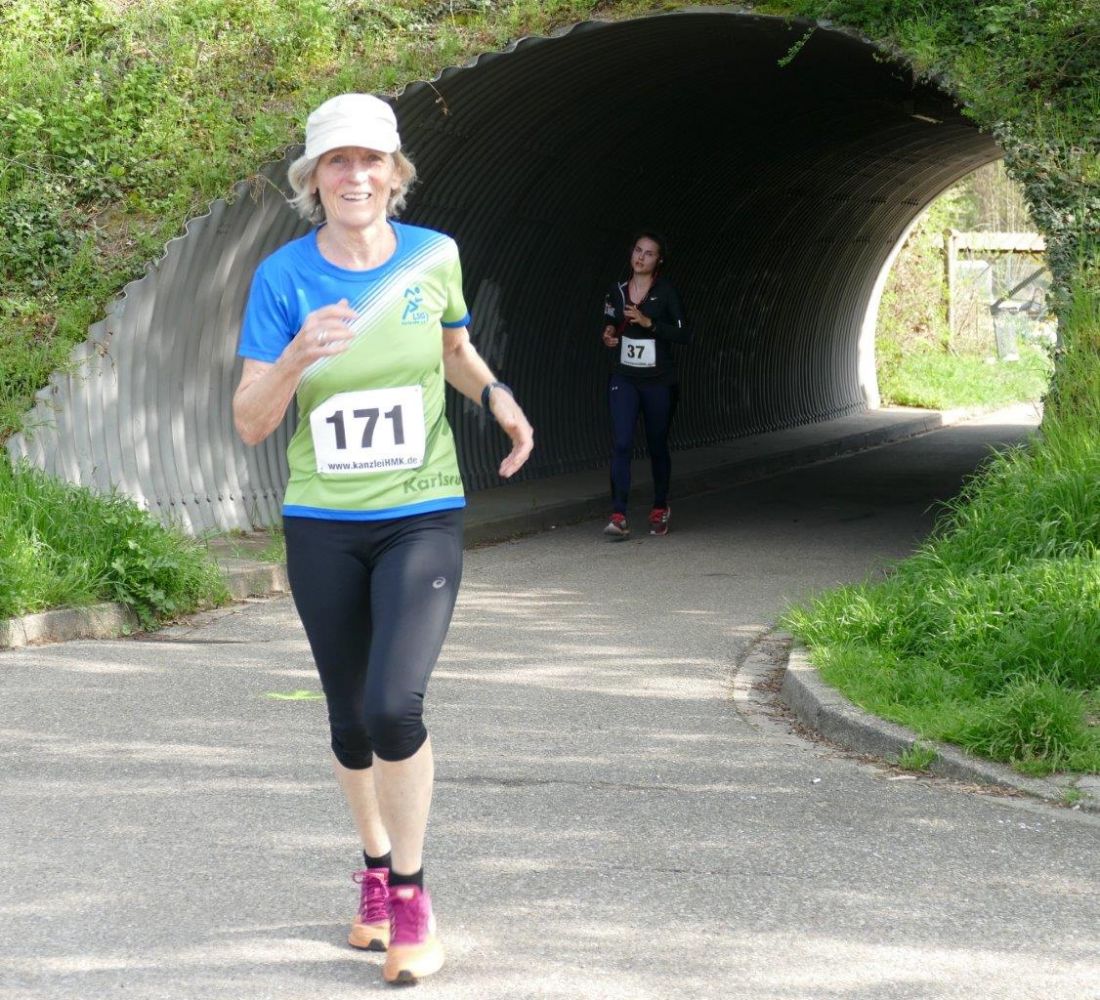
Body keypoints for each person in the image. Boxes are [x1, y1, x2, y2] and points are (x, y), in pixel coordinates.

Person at [232, 93, 533, 985]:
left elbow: (452, 349)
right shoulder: (283, 279)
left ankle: (410, 893)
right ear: (313, 179)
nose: (356, 176)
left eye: (372, 160)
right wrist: (296, 357)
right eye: (338, 161)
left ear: (395, 174)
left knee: (394, 706)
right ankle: (372, 866)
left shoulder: (435, 255)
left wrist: (497, 396)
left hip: (420, 511)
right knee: (349, 719)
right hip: (323, 520)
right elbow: (250, 421)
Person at [600, 232, 689, 538]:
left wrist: (650, 323)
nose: (641, 257)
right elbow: (610, 322)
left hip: (658, 381)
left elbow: (684, 333)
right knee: (622, 442)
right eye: (638, 250)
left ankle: (659, 506)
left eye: (649, 253)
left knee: (656, 444)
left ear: (658, 260)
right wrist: (609, 334)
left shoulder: (665, 292)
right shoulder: (617, 290)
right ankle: (618, 515)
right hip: (624, 378)